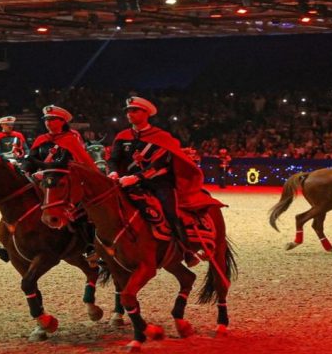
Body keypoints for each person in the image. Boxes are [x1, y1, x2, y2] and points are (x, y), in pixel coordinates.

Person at [107, 96, 205, 266]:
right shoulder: (123, 136)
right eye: (128, 111)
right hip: (125, 182)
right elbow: (114, 158)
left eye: (134, 110)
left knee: (171, 213)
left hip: (158, 183)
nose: (130, 114)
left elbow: (160, 164)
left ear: (146, 113)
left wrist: (136, 177)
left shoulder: (161, 137)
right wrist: (113, 172)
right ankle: (98, 249)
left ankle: (187, 251)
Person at [25, 105, 99, 264]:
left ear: (62, 121)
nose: (48, 122)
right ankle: (11, 241)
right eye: (46, 119)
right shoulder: (41, 139)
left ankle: (91, 245)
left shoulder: (70, 139)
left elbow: (79, 163)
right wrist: (26, 170)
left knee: (83, 210)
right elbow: (31, 159)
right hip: (43, 182)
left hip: (65, 182)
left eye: (52, 119)